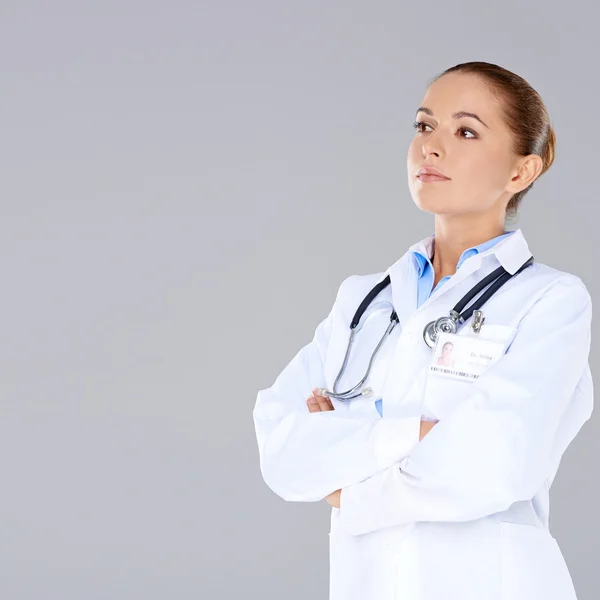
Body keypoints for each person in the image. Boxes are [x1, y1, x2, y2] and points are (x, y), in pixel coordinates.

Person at [252, 61, 593, 600]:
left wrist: (346, 477)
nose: (430, 147)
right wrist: (419, 435)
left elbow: (495, 465)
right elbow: (281, 450)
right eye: (423, 125)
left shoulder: (551, 301)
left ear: (520, 173)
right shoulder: (363, 300)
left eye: (465, 131)